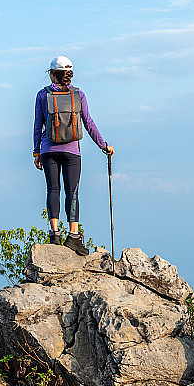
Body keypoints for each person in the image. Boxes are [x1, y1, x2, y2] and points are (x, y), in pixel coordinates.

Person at [33, 56, 114, 256]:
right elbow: (88, 122)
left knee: (52, 189)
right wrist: (103, 145)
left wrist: (36, 151)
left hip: (48, 150)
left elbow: (38, 125)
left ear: (51, 73)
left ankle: (54, 234)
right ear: (70, 74)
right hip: (72, 151)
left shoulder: (43, 95)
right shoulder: (79, 95)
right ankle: (74, 237)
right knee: (73, 192)